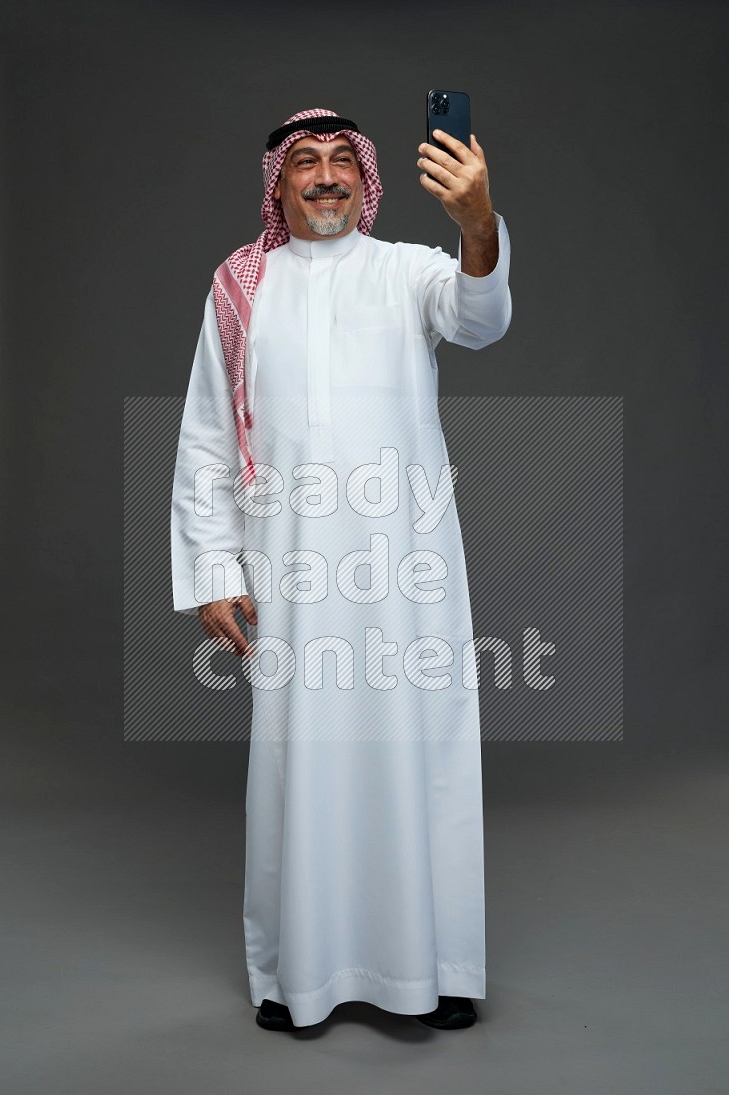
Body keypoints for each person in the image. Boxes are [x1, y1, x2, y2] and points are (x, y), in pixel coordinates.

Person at [170, 107, 513, 1032]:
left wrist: (478, 223)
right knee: (299, 758)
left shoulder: (407, 270)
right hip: (289, 573)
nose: (325, 177)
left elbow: (481, 320)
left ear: (366, 179)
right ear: (278, 186)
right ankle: (300, 977)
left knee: (420, 750)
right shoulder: (243, 287)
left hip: (405, 571)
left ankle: (436, 968)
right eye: (305, 164)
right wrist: (212, 565)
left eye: (340, 162)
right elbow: (208, 433)